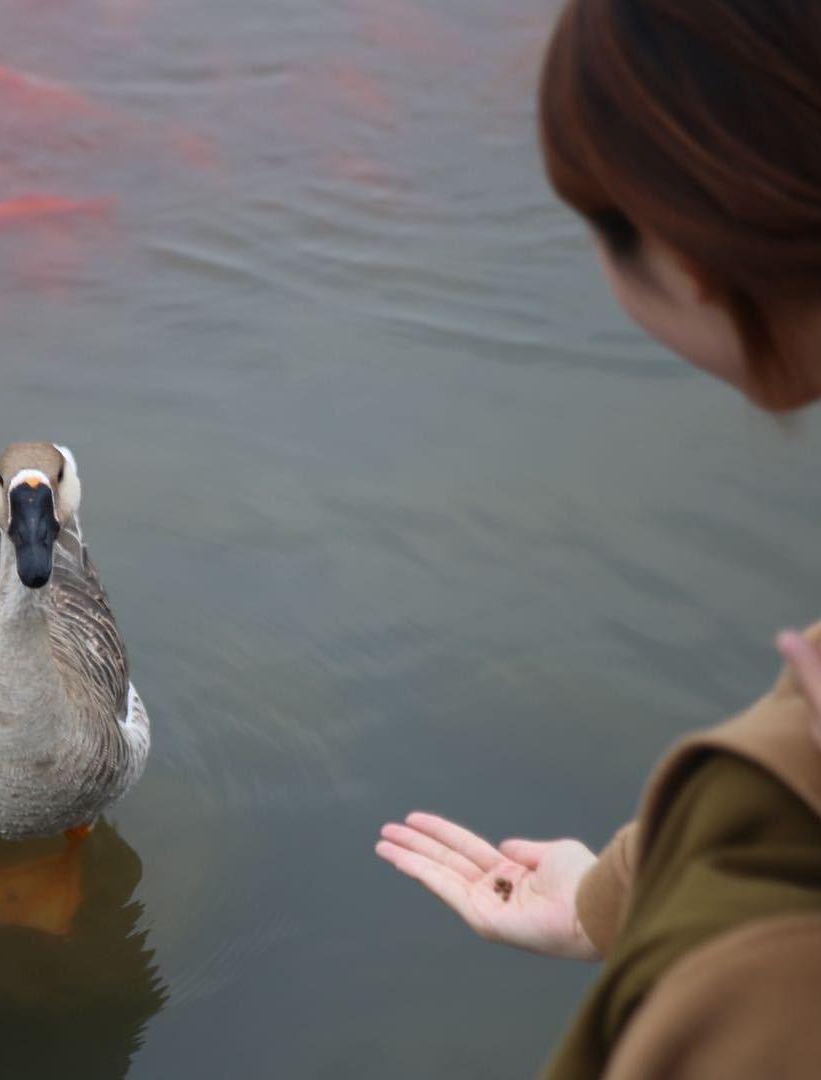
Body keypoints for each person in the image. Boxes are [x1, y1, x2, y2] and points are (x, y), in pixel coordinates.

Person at [376, 2, 821, 1076]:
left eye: (599, 227)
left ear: (686, 258)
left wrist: (677, 897)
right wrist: (610, 901)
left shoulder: (762, 966)